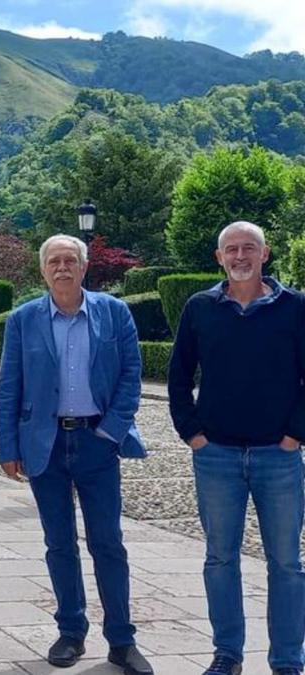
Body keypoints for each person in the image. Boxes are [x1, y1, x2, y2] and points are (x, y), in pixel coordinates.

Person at [0, 234, 153, 675]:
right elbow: (9, 385)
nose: (62, 268)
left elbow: (130, 375)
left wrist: (111, 431)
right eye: (53, 261)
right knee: (59, 544)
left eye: (70, 260)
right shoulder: (23, 320)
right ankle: (71, 632)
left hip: (96, 443)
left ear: (84, 268)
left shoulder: (114, 312)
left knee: (108, 543)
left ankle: (121, 641)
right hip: (44, 445)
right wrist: (8, 446)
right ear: (42, 270)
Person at [168, 221, 305, 675]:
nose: (240, 256)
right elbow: (178, 376)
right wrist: (193, 433)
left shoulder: (295, 308)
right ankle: (227, 654)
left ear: (265, 254)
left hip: (278, 456)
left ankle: (287, 660)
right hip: (217, 456)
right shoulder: (200, 308)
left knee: (285, 563)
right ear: (219, 257)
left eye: (250, 248)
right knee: (220, 559)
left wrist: (295, 434)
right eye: (232, 249)